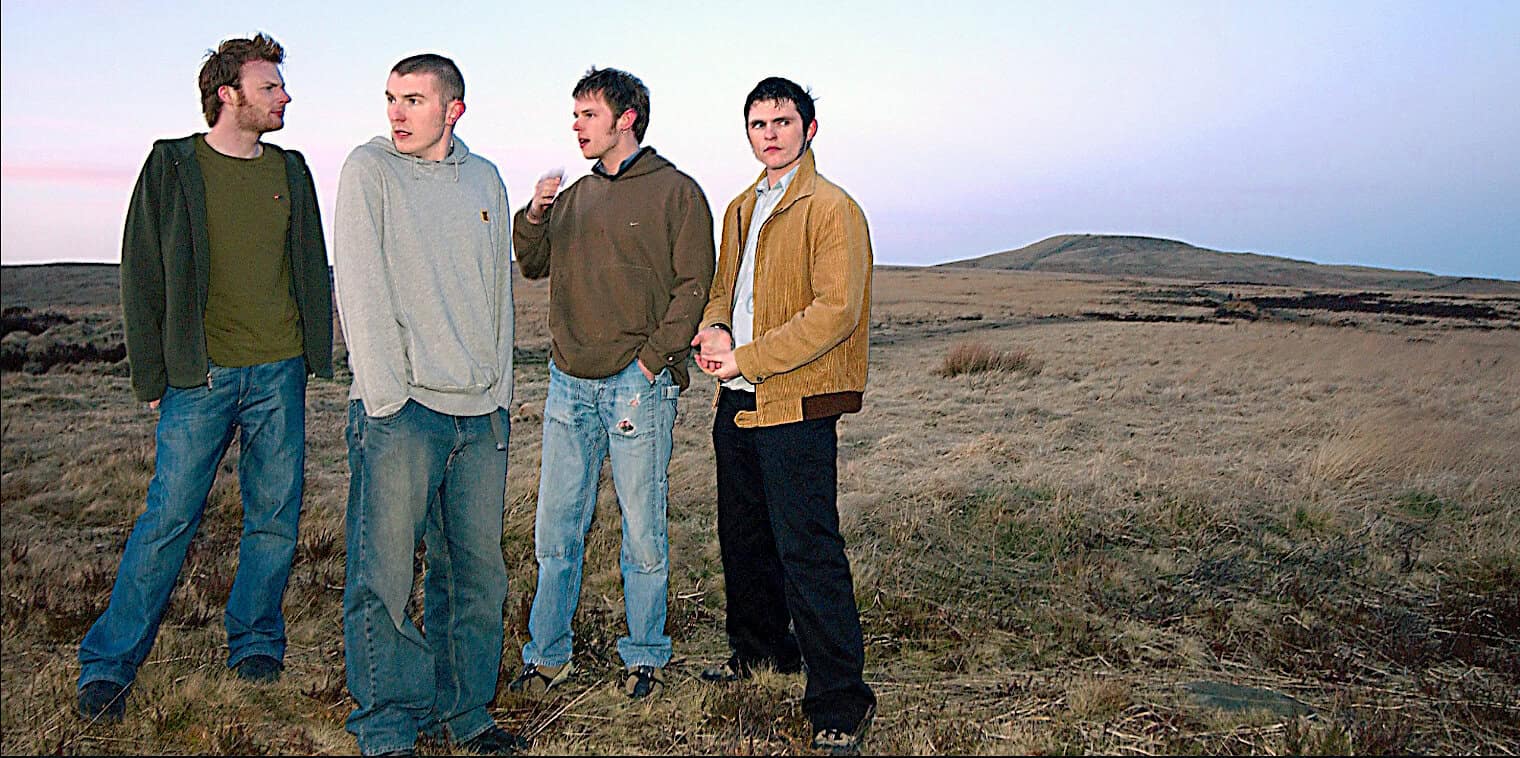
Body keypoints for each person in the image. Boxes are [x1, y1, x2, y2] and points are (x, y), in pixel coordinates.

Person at [76, 32, 333, 724]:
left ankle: (254, 642)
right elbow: (143, 270)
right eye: (270, 86)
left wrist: (315, 354)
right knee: (168, 519)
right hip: (203, 376)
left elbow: (310, 261)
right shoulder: (172, 165)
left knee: (275, 520)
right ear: (229, 95)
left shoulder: (293, 170)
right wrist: (155, 370)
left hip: (278, 371)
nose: (284, 97)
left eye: (281, 85)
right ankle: (108, 665)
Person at [333, 53, 523, 756]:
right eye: (390, 98)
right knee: (382, 576)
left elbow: (496, 296)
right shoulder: (369, 170)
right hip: (402, 410)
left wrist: (498, 395)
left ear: (453, 109)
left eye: (414, 99)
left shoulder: (485, 180)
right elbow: (359, 283)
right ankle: (386, 725)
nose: (397, 113)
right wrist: (384, 395)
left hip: (480, 416)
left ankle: (465, 714)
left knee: (476, 576)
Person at [509, 66, 714, 700]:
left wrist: (652, 362)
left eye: (588, 114)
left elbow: (693, 285)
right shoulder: (573, 196)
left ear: (626, 118)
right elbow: (533, 263)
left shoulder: (676, 191)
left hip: (637, 385)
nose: (576, 126)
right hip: (569, 382)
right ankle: (547, 656)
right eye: (574, 115)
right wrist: (537, 213)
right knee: (556, 528)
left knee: (641, 528)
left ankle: (646, 654)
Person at [690, 76, 877, 756]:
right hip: (735, 399)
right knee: (744, 538)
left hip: (793, 403)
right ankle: (762, 654)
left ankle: (841, 699)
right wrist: (714, 332)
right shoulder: (742, 206)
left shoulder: (832, 209)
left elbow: (835, 312)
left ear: (809, 129)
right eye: (757, 123)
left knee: (807, 547)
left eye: (782, 121)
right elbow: (722, 288)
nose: (769, 133)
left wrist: (750, 357)